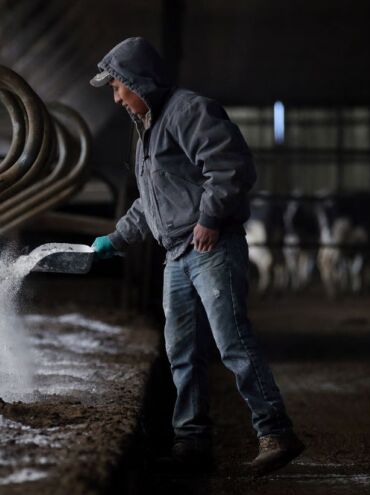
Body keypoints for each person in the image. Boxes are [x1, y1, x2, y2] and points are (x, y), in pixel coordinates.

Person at [89, 37, 304, 476]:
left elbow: (230, 166)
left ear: (137, 81)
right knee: (181, 352)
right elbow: (150, 204)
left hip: (211, 246)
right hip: (176, 255)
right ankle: (192, 442)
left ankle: (276, 431)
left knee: (233, 343)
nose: (115, 96)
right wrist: (115, 239)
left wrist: (209, 218)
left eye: (117, 86)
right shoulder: (145, 130)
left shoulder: (188, 111)